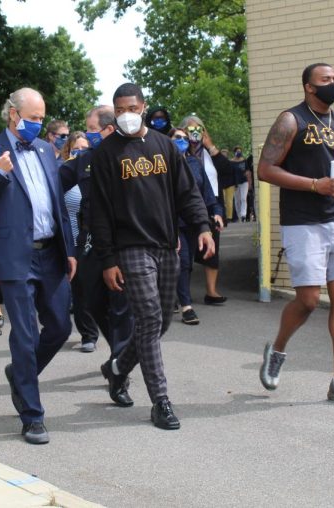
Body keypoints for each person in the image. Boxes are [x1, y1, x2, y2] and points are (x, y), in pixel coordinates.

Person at [256, 63, 334, 406]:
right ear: (309, 87)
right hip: (303, 222)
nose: (333, 84)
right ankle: (278, 350)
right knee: (309, 299)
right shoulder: (291, 120)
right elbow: (265, 169)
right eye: (325, 80)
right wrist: (316, 185)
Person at [90, 83, 214, 430]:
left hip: (166, 245)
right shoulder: (106, 153)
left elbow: (187, 192)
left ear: (143, 107)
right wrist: (107, 259)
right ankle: (160, 400)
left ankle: (116, 369)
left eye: (132, 107)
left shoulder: (164, 146)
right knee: (147, 318)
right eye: (120, 110)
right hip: (130, 248)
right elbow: (97, 210)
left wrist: (202, 226)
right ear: (114, 112)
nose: (126, 115)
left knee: (160, 321)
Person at [0, 87, 76, 445]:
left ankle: (20, 374)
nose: (39, 125)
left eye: (42, 118)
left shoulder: (45, 149)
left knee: (59, 327)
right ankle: (32, 415)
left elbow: (57, 202)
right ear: (14, 114)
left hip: (51, 253)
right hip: (14, 256)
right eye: (35, 118)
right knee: (25, 334)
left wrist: (69, 249)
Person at [60, 106, 135, 372]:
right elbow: (53, 184)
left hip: (125, 242)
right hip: (91, 239)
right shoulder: (83, 160)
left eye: (92, 129)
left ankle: (119, 364)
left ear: (109, 129)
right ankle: (119, 352)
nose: (88, 134)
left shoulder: (131, 155)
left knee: (121, 305)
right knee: (90, 297)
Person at [169, 128, 223, 326]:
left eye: (185, 138)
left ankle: (175, 296)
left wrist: (216, 212)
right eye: (177, 138)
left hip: (193, 222)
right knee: (182, 261)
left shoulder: (195, 164)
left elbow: (206, 193)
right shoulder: (164, 165)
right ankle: (186, 306)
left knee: (187, 264)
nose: (182, 141)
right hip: (173, 223)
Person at [178, 115, 231, 305]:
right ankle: (182, 296)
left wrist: (211, 146)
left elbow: (229, 172)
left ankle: (211, 291)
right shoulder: (178, 152)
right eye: (190, 129)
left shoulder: (208, 154)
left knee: (211, 248)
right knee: (184, 256)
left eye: (198, 129)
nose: (194, 133)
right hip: (183, 209)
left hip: (210, 203)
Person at [59, 131, 98, 351]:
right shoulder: (65, 174)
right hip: (68, 240)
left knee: (92, 288)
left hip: (91, 239)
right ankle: (88, 335)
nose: (80, 154)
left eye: (85, 150)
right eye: (76, 150)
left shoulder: (93, 174)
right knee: (79, 290)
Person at [230, 146, 249, 222]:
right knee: (237, 200)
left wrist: (249, 179)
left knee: (243, 198)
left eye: (240, 151)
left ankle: (243, 215)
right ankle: (238, 215)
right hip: (235, 183)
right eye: (237, 151)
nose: (239, 152)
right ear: (234, 152)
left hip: (244, 182)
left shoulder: (244, 161)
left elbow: (247, 171)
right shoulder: (231, 162)